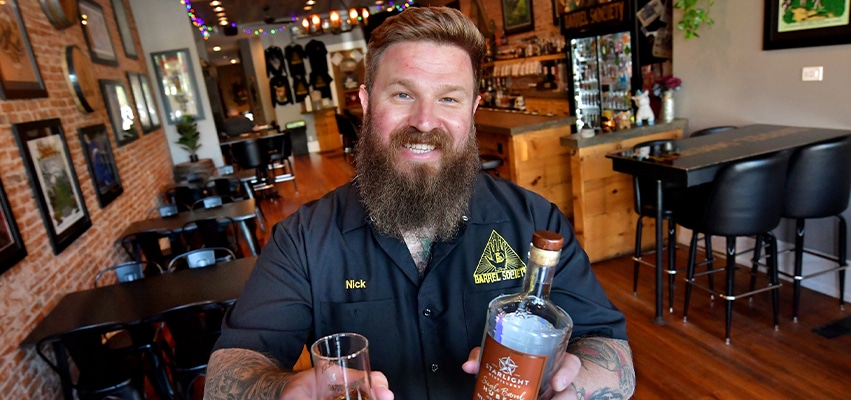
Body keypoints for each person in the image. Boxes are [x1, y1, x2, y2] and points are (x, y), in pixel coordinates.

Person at [205, 7, 634, 400]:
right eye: (403, 94)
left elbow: (611, 351)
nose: (425, 121)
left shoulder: (533, 221)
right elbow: (230, 370)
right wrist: (284, 392)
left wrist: (574, 387)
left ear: (472, 110)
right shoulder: (304, 239)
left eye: (449, 98)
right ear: (367, 102)